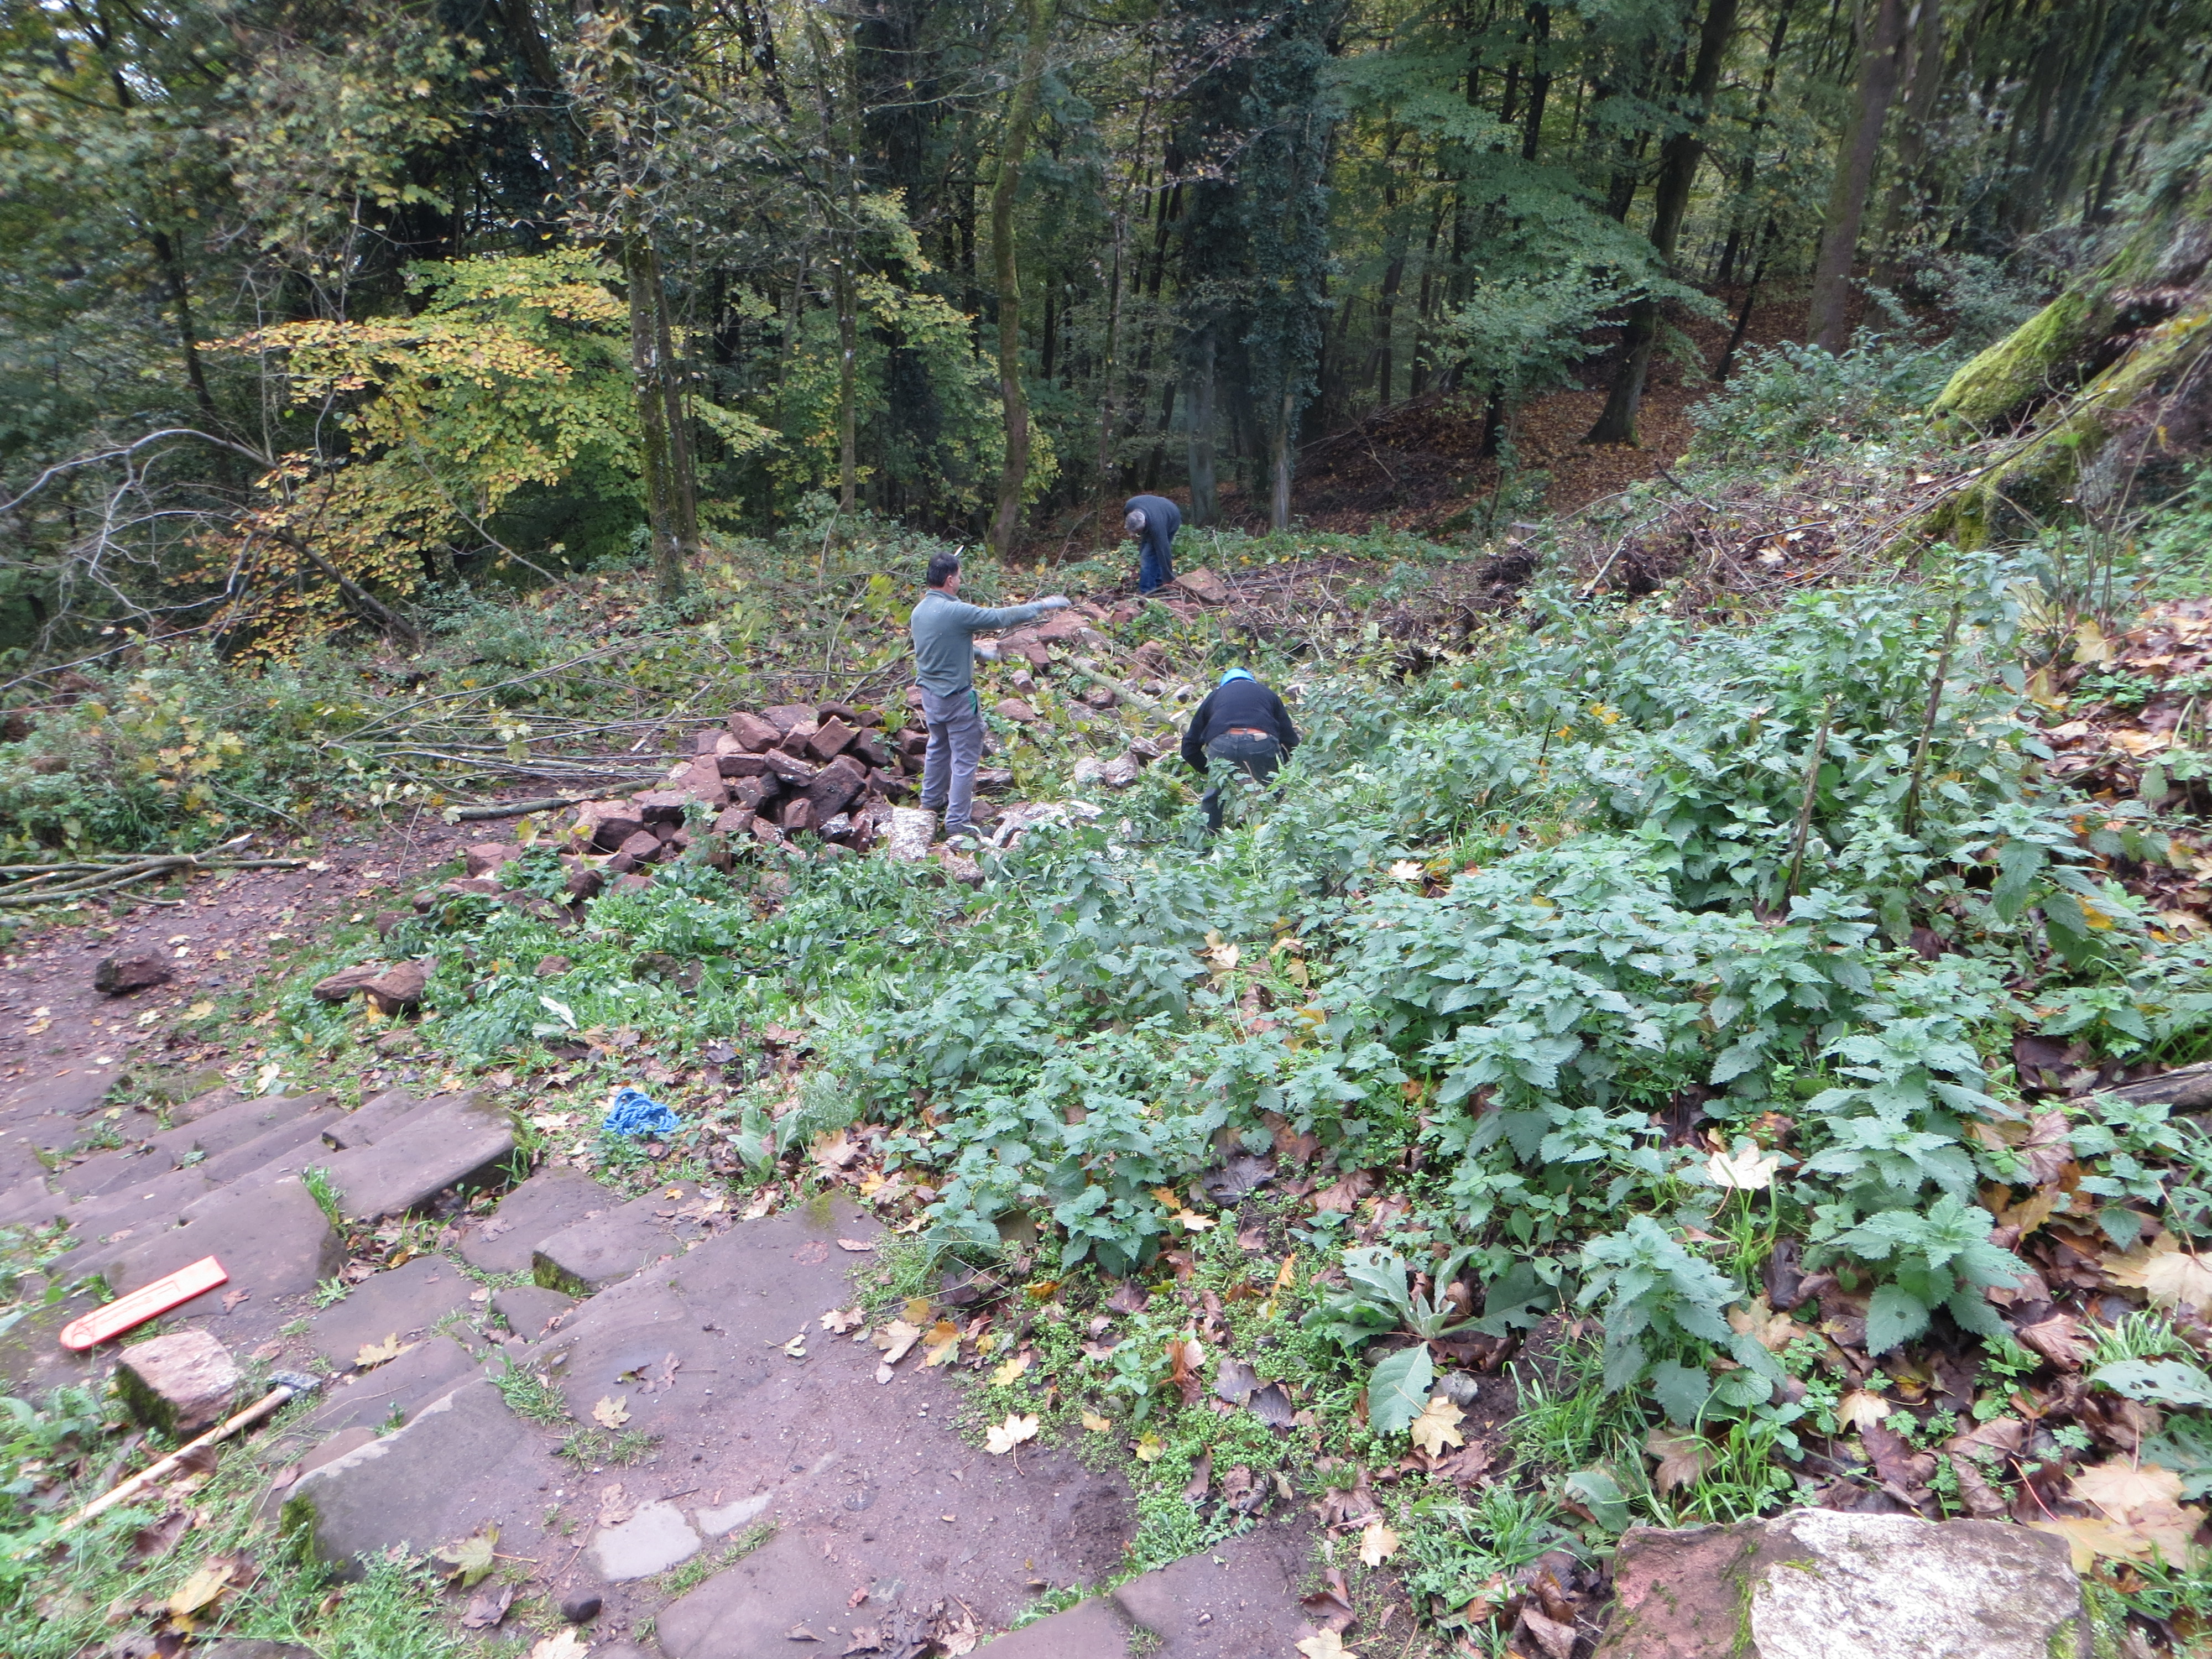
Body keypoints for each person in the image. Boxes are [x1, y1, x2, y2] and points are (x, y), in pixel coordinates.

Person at [910, 550, 1070, 843]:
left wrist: (981, 654)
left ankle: (930, 805)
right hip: (956, 699)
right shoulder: (956, 612)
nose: (961, 581)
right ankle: (957, 823)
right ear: (950, 580)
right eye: (959, 576)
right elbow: (999, 618)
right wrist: (1042, 605)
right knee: (965, 760)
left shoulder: (920, 611)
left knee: (938, 747)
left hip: (930, 696)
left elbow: (939, 645)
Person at [1181, 667, 1298, 833]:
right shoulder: (1267, 694)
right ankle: (1276, 836)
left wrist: (1210, 770)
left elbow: (1189, 747)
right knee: (1275, 790)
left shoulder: (1215, 696)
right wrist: (1278, 766)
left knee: (1213, 797)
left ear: (1224, 684)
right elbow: (1291, 741)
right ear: (1251, 680)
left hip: (1222, 742)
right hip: (1260, 740)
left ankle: (1208, 841)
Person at [1124, 494, 1182, 594]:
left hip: (1171, 518)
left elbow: (1164, 551)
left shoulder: (1157, 527)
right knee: (1145, 550)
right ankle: (1157, 582)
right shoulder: (1130, 505)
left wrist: (1169, 576)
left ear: (1145, 523)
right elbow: (1127, 518)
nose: (1137, 534)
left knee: (1148, 556)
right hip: (1156, 509)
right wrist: (1131, 532)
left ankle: (1147, 590)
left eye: (1138, 531)